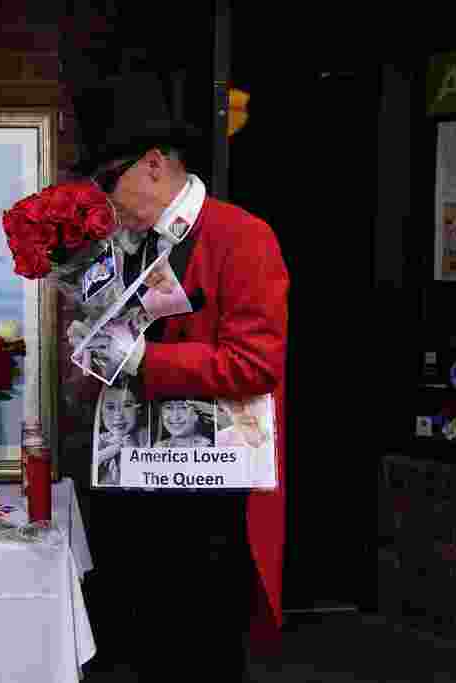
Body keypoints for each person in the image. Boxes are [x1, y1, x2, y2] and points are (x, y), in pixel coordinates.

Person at [70, 72, 289, 682]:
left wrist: (145, 361)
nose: (106, 204)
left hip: (208, 497)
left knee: (200, 651)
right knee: (144, 650)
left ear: (154, 164)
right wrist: (96, 350)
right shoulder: (129, 244)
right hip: (135, 486)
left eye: (110, 186)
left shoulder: (242, 235)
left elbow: (256, 365)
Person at [95, 378, 149, 486]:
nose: (118, 415)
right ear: (100, 411)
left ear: (139, 410)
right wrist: (103, 455)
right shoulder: (99, 441)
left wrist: (133, 452)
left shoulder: (145, 437)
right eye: (110, 407)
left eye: (127, 405)